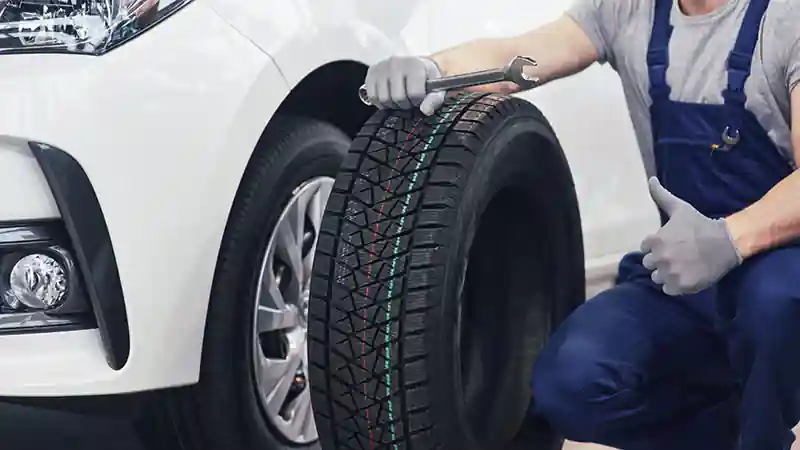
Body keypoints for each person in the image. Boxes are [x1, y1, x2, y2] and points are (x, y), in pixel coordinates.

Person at [363, 0, 800, 449]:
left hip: (781, 269)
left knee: (775, 305)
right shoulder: (630, 11)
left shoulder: (787, 19)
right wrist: (435, 69)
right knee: (570, 383)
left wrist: (729, 239)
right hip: (683, 276)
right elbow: (523, 56)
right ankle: (721, 432)